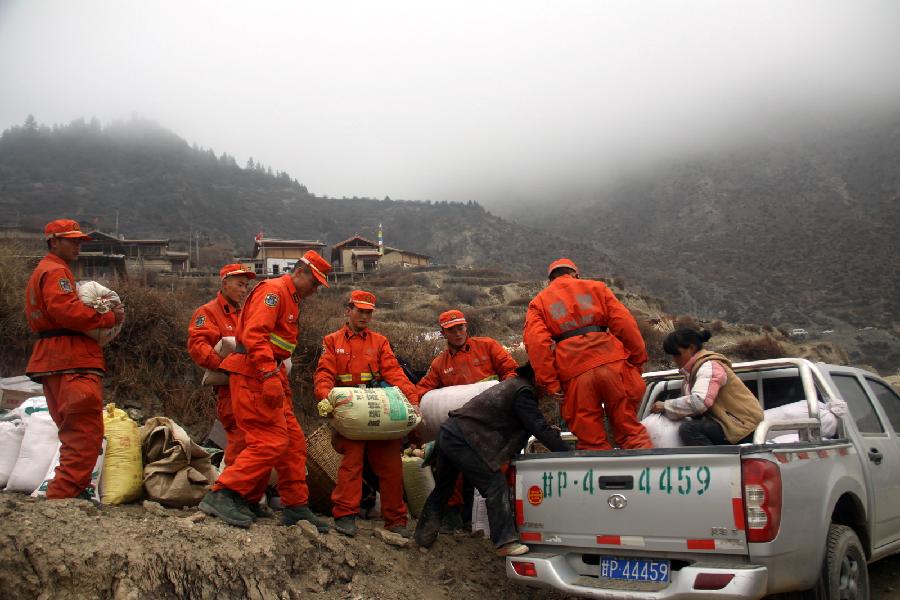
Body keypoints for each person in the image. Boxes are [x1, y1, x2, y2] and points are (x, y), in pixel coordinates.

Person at [199, 251, 332, 530]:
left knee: (293, 442)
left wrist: (275, 374)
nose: (316, 290)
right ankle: (223, 493)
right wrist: (269, 373)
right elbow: (254, 335)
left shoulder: (290, 297)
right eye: (315, 283)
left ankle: (295, 505)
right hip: (256, 373)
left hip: (269, 372)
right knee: (269, 441)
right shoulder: (274, 292)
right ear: (300, 272)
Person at [414, 363, 569, 556]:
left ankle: (422, 538)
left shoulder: (514, 386)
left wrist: (545, 432)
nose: (549, 387)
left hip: (449, 433)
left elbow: (529, 425)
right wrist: (569, 454)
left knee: (444, 489)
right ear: (537, 377)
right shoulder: (523, 393)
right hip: (463, 439)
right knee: (494, 485)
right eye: (548, 381)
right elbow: (539, 428)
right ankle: (505, 541)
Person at [24, 219, 125, 499]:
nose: (78, 245)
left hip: (53, 359)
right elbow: (68, 312)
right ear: (53, 242)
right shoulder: (56, 272)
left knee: (73, 432)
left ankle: (70, 490)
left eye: (80, 240)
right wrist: (108, 317)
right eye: (72, 240)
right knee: (85, 435)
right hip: (72, 360)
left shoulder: (44, 271)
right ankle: (63, 496)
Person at [314, 290, 419, 538]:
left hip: (378, 409)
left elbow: (395, 374)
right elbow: (324, 374)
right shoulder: (332, 341)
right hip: (350, 413)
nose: (364, 316)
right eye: (360, 311)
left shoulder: (379, 342)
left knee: (391, 464)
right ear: (348, 310)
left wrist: (412, 401)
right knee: (351, 462)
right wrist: (325, 398)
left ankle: (396, 520)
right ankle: (345, 515)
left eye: (368, 312)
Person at [524, 258, 651, 450]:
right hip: (612, 364)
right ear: (575, 273)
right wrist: (636, 360)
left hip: (575, 374)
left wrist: (550, 382)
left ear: (550, 280)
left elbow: (536, 345)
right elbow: (625, 324)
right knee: (631, 432)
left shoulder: (539, 303)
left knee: (592, 442)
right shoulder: (597, 288)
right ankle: (646, 474)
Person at [416, 309, 519, 531]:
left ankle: (501, 519)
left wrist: (506, 399)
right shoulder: (440, 364)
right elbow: (422, 390)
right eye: (451, 330)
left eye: (460, 327)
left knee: (497, 468)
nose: (458, 333)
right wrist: (413, 406)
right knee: (452, 466)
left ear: (466, 327)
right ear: (443, 333)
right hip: (461, 427)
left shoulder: (488, 346)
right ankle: (454, 516)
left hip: (490, 424)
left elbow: (511, 372)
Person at [187, 263, 274, 514]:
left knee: (256, 443)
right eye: (239, 283)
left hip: (251, 388)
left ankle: (247, 499)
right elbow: (198, 346)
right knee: (238, 441)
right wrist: (226, 365)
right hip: (229, 390)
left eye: (246, 285)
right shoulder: (209, 312)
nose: (244, 289)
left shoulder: (247, 313)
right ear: (224, 283)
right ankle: (227, 498)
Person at [649, 328, 764, 446]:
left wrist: (666, 406)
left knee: (689, 429)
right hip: (729, 424)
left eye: (677, 354)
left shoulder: (709, 367)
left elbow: (699, 402)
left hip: (742, 425)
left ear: (691, 348)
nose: (674, 360)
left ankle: (715, 464)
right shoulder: (690, 376)